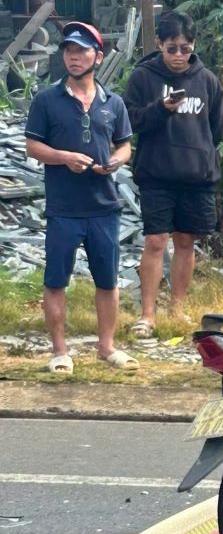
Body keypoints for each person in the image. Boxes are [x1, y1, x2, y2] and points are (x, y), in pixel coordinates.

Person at [24, 21, 138, 374]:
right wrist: (64, 157)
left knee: (108, 280)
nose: (73, 57)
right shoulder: (46, 100)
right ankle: (59, 351)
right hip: (63, 208)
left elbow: (125, 145)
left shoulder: (113, 103)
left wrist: (116, 161)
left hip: (104, 206)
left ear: (98, 57)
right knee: (56, 280)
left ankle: (107, 347)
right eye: (69, 51)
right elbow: (32, 146)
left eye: (81, 51)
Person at [123, 12, 223, 338]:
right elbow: (128, 121)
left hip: (196, 176)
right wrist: (161, 108)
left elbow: (217, 130)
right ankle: (147, 314)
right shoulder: (143, 77)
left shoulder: (207, 80)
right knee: (155, 241)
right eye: (172, 49)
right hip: (156, 174)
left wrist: (200, 156)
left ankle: (177, 308)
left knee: (186, 242)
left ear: (194, 45)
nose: (179, 55)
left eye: (185, 48)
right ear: (159, 44)